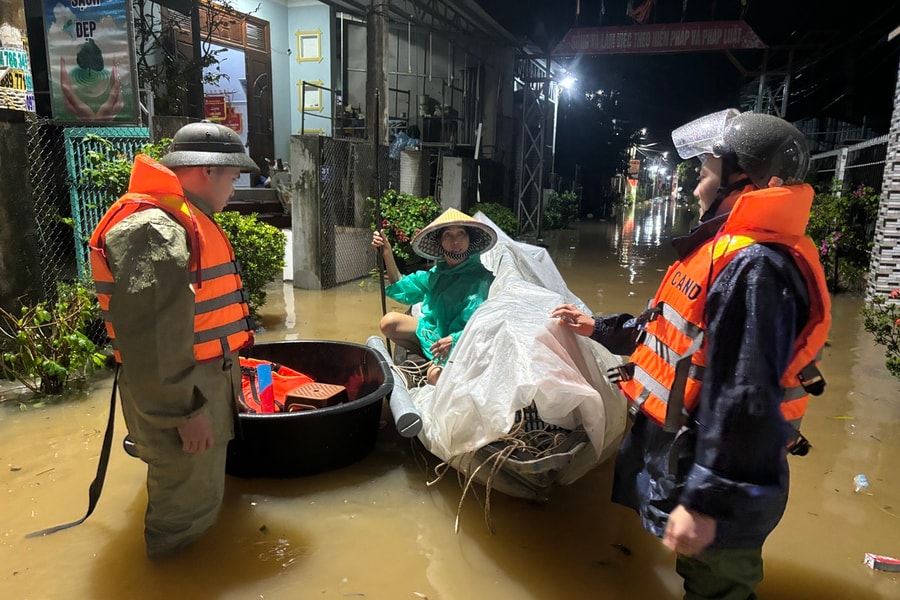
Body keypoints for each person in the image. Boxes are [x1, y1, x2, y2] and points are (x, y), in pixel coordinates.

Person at [551, 109, 831, 599]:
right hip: (696, 458)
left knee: (716, 588)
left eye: (703, 175)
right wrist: (600, 327)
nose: (695, 189)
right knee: (698, 576)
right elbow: (670, 336)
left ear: (746, 184)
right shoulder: (728, 252)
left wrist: (706, 503)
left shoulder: (755, 267)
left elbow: (746, 399)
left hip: (724, 473)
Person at [88, 121, 258, 557]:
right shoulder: (154, 229)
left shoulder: (175, 220)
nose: (234, 190)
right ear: (206, 171)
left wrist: (228, 387)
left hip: (198, 385)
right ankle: (172, 579)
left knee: (198, 497)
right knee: (184, 519)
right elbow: (155, 340)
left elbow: (194, 325)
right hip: (181, 394)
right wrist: (185, 412)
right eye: (233, 178)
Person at [372, 208, 496, 385]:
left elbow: (486, 325)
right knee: (388, 322)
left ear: (470, 239)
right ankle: (429, 358)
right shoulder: (437, 274)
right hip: (435, 335)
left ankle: (436, 367)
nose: (455, 241)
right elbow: (403, 287)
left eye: (461, 233)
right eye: (448, 235)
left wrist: (454, 340)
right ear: (440, 243)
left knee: (434, 377)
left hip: (465, 342)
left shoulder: (483, 279)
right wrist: (387, 253)